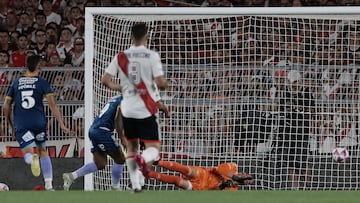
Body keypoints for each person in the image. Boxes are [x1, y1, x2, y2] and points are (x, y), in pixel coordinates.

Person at [101, 22, 168, 192]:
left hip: (127, 109)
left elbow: (105, 81)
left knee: (131, 147)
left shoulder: (121, 56)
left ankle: (136, 184)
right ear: (146, 36)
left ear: (131, 36)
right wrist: (161, 83)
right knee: (153, 149)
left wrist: (121, 87)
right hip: (145, 109)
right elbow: (161, 84)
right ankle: (142, 162)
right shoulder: (152, 56)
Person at [3, 55, 69, 191]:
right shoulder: (42, 82)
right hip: (38, 121)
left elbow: (6, 106)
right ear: (39, 67)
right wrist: (61, 123)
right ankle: (49, 185)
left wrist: (9, 124)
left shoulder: (16, 83)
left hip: (22, 122)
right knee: (43, 151)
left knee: (27, 152)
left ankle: (32, 157)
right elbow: (53, 105)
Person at [62, 95, 126, 191]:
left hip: (94, 130)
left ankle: (72, 176)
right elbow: (118, 118)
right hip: (103, 131)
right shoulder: (125, 99)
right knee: (120, 158)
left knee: (100, 164)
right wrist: (122, 137)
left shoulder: (115, 98)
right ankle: (115, 187)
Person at [277, 70, 315, 189]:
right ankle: (295, 187)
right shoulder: (285, 93)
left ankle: (309, 186)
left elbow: (312, 111)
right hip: (287, 130)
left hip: (302, 130)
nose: (293, 85)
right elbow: (281, 110)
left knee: (303, 159)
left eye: (295, 82)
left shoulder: (306, 92)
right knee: (290, 160)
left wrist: (304, 113)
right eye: (291, 82)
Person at [149, 160, 253, 190]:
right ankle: (158, 162)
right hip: (204, 174)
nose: (246, 181)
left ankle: (149, 173)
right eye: (247, 178)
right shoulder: (233, 167)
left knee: (178, 181)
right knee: (187, 170)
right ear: (244, 174)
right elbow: (220, 169)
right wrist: (233, 177)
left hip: (202, 187)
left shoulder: (233, 190)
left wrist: (222, 187)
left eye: (247, 183)